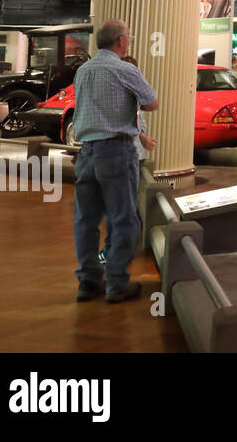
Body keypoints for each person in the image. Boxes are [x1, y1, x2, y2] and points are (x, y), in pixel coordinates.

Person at [71, 20, 159, 304]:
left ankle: (88, 282)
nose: (130, 42)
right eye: (129, 38)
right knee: (123, 220)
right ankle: (117, 283)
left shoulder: (82, 71)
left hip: (86, 153)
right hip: (116, 153)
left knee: (85, 221)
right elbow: (151, 102)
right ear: (121, 40)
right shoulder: (125, 69)